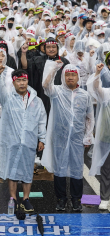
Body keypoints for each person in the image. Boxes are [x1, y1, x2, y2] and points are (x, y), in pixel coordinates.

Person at [0, 62, 47, 213]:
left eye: (24, 80)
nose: (22, 83)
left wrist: (42, 139)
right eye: (18, 80)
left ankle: (26, 199)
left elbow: (42, 120)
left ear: (27, 81)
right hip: (13, 141)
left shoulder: (36, 100)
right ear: (14, 82)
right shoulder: (8, 99)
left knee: (28, 171)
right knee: (13, 171)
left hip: (29, 141)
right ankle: (13, 199)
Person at [41, 61, 94, 212]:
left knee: (77, 170)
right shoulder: (56, 91)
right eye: (67, 75)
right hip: (60, 139)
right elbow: (46, 85)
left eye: (73, 75)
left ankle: (76, 200)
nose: (70, 77)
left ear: (78, 78)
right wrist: (54, 69)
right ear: (63, 77)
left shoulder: (85, 95)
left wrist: (88, 136)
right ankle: (61, 199)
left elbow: (90, 117)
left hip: (78, 139)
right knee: (60, 169)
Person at [21, 37, 70, 115]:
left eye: (53, 47)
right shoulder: (38, 60)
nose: (51, 49)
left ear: (57, 48)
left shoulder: (64, 61)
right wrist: (23, 53)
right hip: (42, 96)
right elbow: (25, 66)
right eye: (48, 47)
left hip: (60, 97)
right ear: (44, 49)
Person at [87, 63, 110, 210]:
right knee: (107, 168)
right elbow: (96, 89)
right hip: (107, 136)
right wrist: (97, 73)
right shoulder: (107, 93)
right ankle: (105, 197)